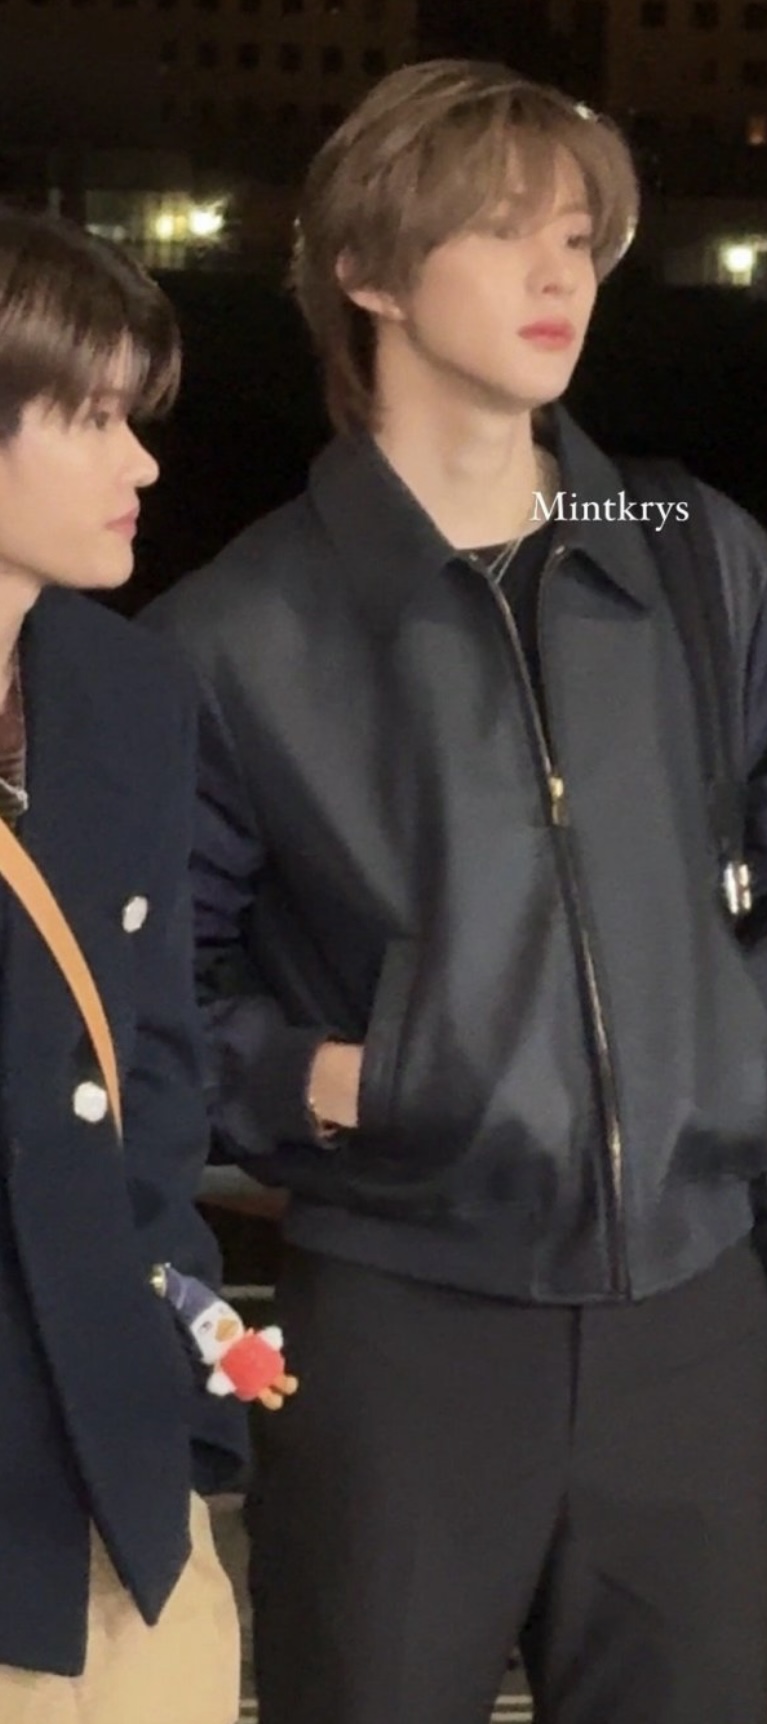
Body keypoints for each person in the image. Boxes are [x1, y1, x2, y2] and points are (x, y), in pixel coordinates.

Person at [147, 60, 767, 1724]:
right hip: (402, 1327)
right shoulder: (237, 632)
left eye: (578, 236)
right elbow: (146, 1000)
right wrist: (334, 1079)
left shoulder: (690, 554)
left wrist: (720, 1040)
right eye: (502, 231)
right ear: (366, 271)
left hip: (692, 1318)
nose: (557, 273)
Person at [0, 205, 247, 1724]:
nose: (142, 464)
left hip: (120, 1473)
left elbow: (153, 1069)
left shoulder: (127, 688)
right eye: (93, 418)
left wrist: (186, 1353)